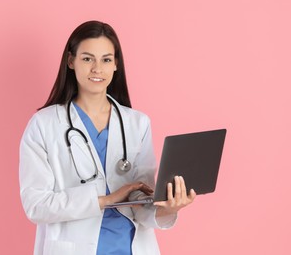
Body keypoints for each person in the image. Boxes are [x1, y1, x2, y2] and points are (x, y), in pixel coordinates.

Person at [19, 20, 196, 255]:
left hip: (130, 248)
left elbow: (141, 203)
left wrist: (170, 208)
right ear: (71, 61)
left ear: (116, 65)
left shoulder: (137, 123)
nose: (97, 69)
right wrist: (105, 200)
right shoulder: (44, 125)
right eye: (87, 58)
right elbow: (36, 206)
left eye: (106, 59)